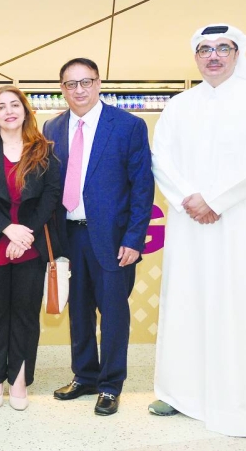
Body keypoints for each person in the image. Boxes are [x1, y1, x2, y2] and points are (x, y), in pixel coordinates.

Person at [150, 24, 246, 437]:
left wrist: (216, 200)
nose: (213, 56)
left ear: (237, 54)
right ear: (195, 57)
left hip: (238, 223)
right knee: (186, 301)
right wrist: (190, 198)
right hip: (190, 223)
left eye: (222, 48)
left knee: (236, 304)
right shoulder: (179, 105)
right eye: (204, 49)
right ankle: (179, 392)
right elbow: (162, 158)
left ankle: (238, 398)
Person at [43, 59, 154, 416]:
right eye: (70, 84)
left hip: (112, 238)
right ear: (62, 88)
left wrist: (135, 238)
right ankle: (85, 375)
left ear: (99, 82)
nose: (78, 90)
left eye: (85, 82)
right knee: (78, 311)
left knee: (114, 313)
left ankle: (110, 384)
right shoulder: (52, 126)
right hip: (68, 236)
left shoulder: (127, 126)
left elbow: (142, 187)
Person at [0, 85, 60, 411]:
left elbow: (51, 196)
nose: (8, 111)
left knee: (24, 314)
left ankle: (18, 378)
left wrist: (25, 234)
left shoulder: (44, 150)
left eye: (14, 105)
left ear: (25, 110)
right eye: (1, 107)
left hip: (30, 248)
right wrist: (7, 229)